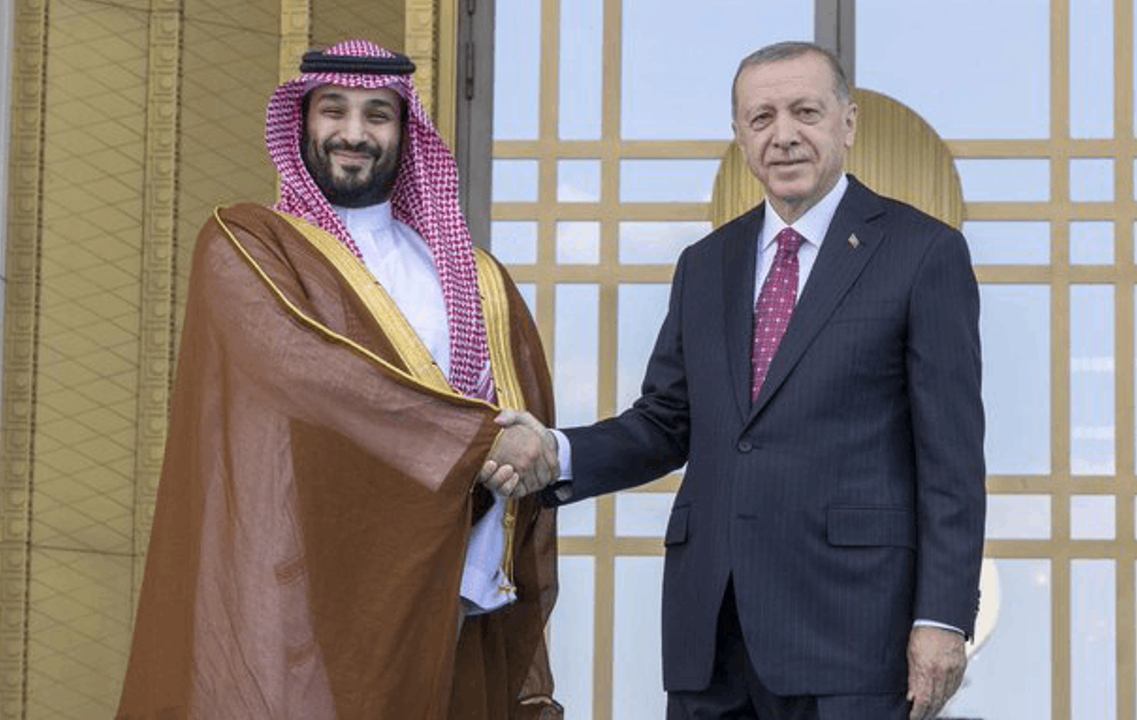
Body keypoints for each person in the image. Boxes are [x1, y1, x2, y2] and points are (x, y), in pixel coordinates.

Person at [491, 41, 986, 720]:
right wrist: (557, 450)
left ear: (847, 124)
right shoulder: (706, 264)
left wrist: (942, 617)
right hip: (713, 633)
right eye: (761, 118)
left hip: (853, 633)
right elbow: (666, 422)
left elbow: (951, 460)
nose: (784, 135)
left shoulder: (922, 252)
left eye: (805, 112)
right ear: (740, 136)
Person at [116, 39, 562, 720]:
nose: (354, 133)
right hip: (299, 584)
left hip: (441, 588)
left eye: (377, 115)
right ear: (301, 120)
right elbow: (304, 370)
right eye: (334, 110)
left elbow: (516, 414)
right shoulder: (249, 244)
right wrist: (476, 441)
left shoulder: (473, 278)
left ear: (404, 132)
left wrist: (512, 459)